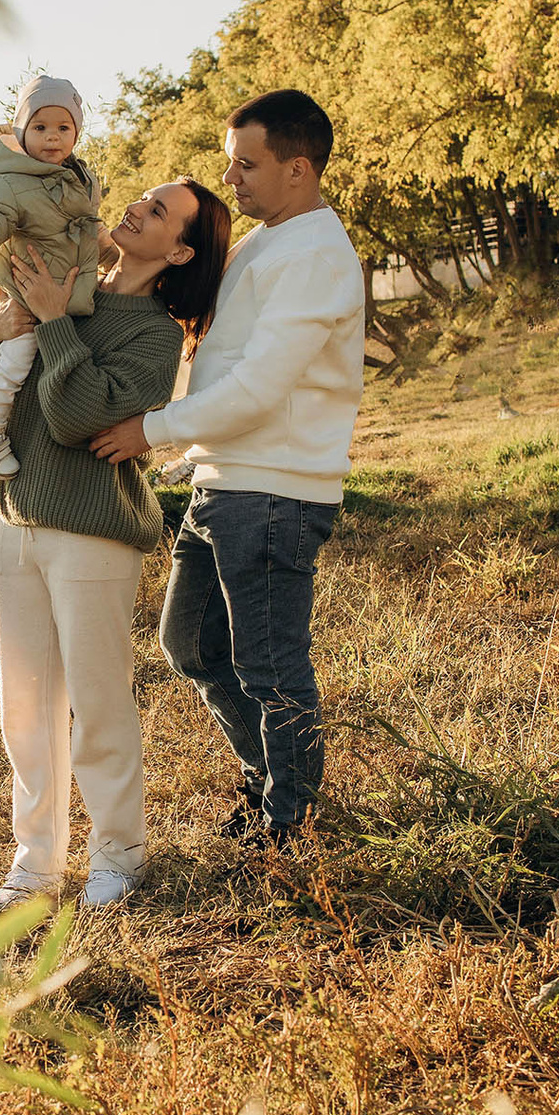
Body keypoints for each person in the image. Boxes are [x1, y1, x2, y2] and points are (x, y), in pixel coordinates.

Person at [89, 90, 365, 845]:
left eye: (248, 164)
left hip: (272, 493)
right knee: (192, 646)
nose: (232, 178)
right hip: (224, 482)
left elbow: (259, 389)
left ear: (299, 169)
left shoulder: (315, 255)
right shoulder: (265, 241)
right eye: (229, 162)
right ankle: (270, 784)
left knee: (272, 670)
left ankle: (291, 829)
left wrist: (150, 429)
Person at [0, 178, 231, 910]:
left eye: (161, 210)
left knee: (100, 701)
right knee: (26, 707)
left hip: (91, 535)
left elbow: (77, 415)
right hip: (9, 523)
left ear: (178, 250)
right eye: (144, 195)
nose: (138, 204)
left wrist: (51, 323)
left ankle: (120, 853)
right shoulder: (58, 273)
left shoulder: (154, 334)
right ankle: (35, 860)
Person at [0, 75, 104, 479]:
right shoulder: (8, 178)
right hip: (22, 291)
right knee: (16, 361)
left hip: (54, 289)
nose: (52, 138)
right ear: (22, 130)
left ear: (76, 133)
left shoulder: (80, 178)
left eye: (63, 128)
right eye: (39, 128)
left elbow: (86, 232)